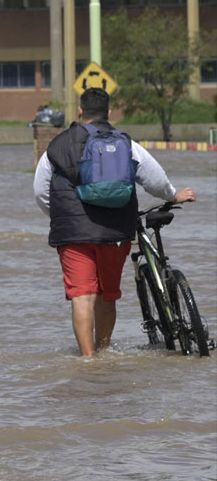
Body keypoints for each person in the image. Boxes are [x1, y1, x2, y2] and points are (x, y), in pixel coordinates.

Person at [33, 88, 196, 357]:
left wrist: (63, 218)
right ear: (109, 113)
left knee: (82, 297)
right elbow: (154, 178)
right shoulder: (126, 143)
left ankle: (89, 361)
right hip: (116, 233)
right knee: (107, 295)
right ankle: (104, 350)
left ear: (80, 112)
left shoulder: (58, 144)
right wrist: (173, 195)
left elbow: (41, 192)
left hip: (73, 236)